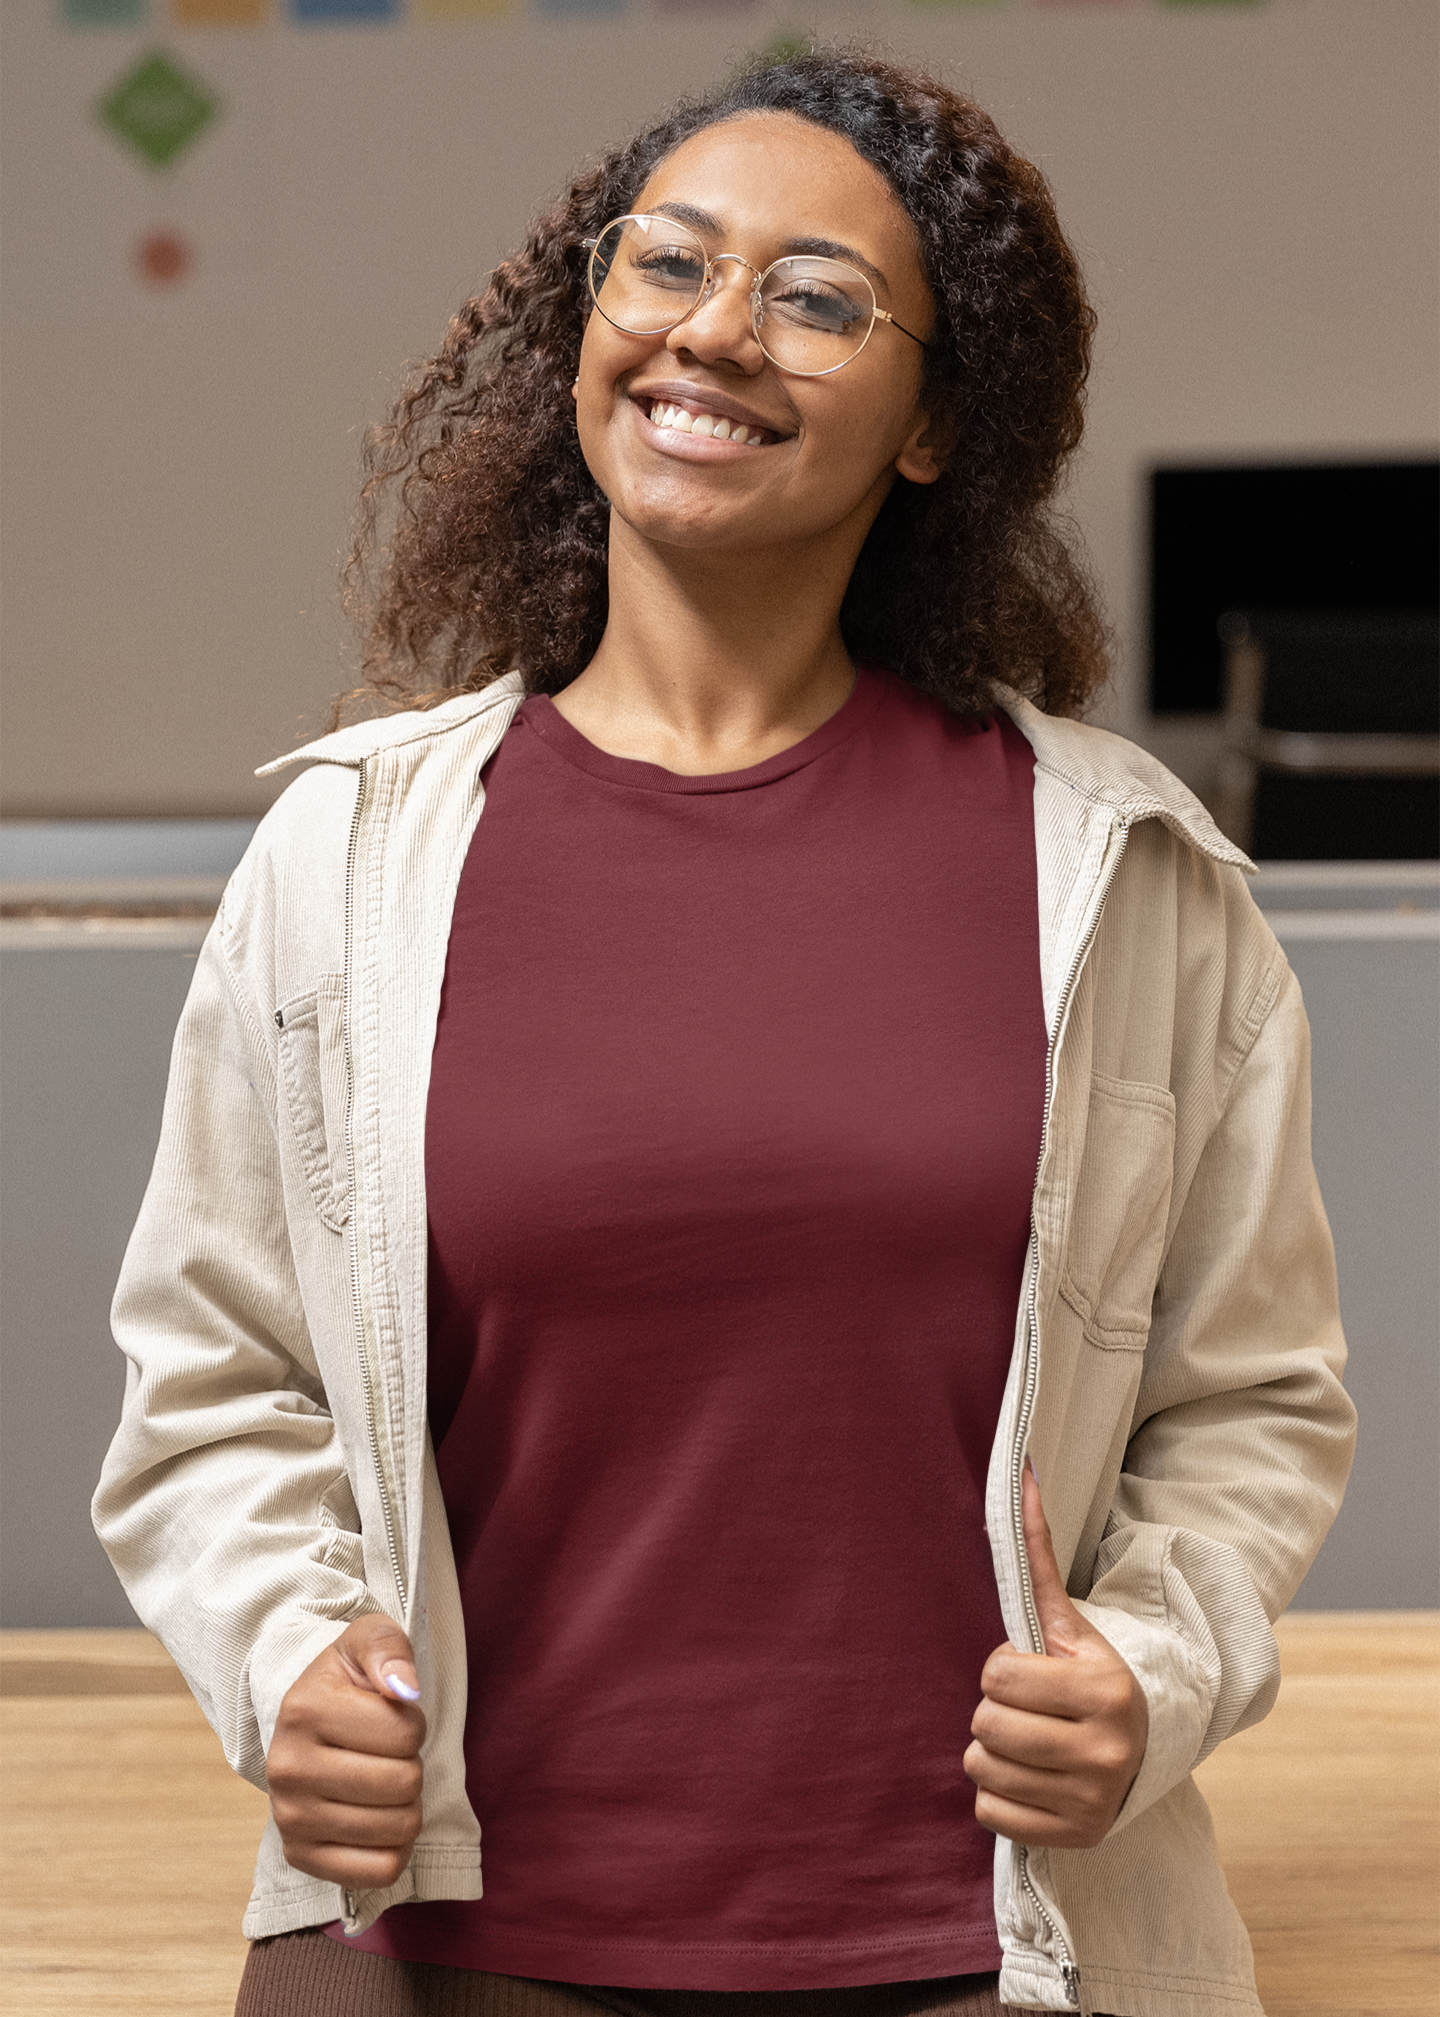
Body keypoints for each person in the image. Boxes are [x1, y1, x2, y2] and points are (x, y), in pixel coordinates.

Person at [93, 47, 1355, 2017]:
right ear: (585, 327)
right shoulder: (350, 858)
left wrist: (1150, 1675)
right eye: (664, 264)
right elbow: (212, 1385)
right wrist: (287, 1657)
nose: (716, 333)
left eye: (820, 298)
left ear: (938, 422)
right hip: (440, 1939)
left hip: (985, 1948)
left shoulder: (1126, 878)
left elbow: (1251, 1404)